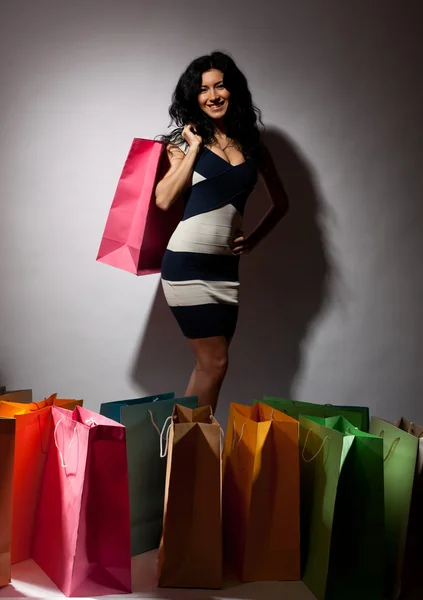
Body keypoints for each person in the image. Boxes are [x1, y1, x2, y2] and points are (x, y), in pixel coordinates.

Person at [155, 51, 289, 412]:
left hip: (226, 272)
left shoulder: (253, 147)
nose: (212, 95)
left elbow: (281, 202)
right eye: (203, 89)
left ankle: (187, 454)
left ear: (233, 91)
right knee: (215, 364)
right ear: (193, 97)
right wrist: (195, 147)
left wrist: (255, 238)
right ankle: (192, 451)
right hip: (187, 267)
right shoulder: (182, 144)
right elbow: (165, 199)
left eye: (219, 86)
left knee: (210, 367)